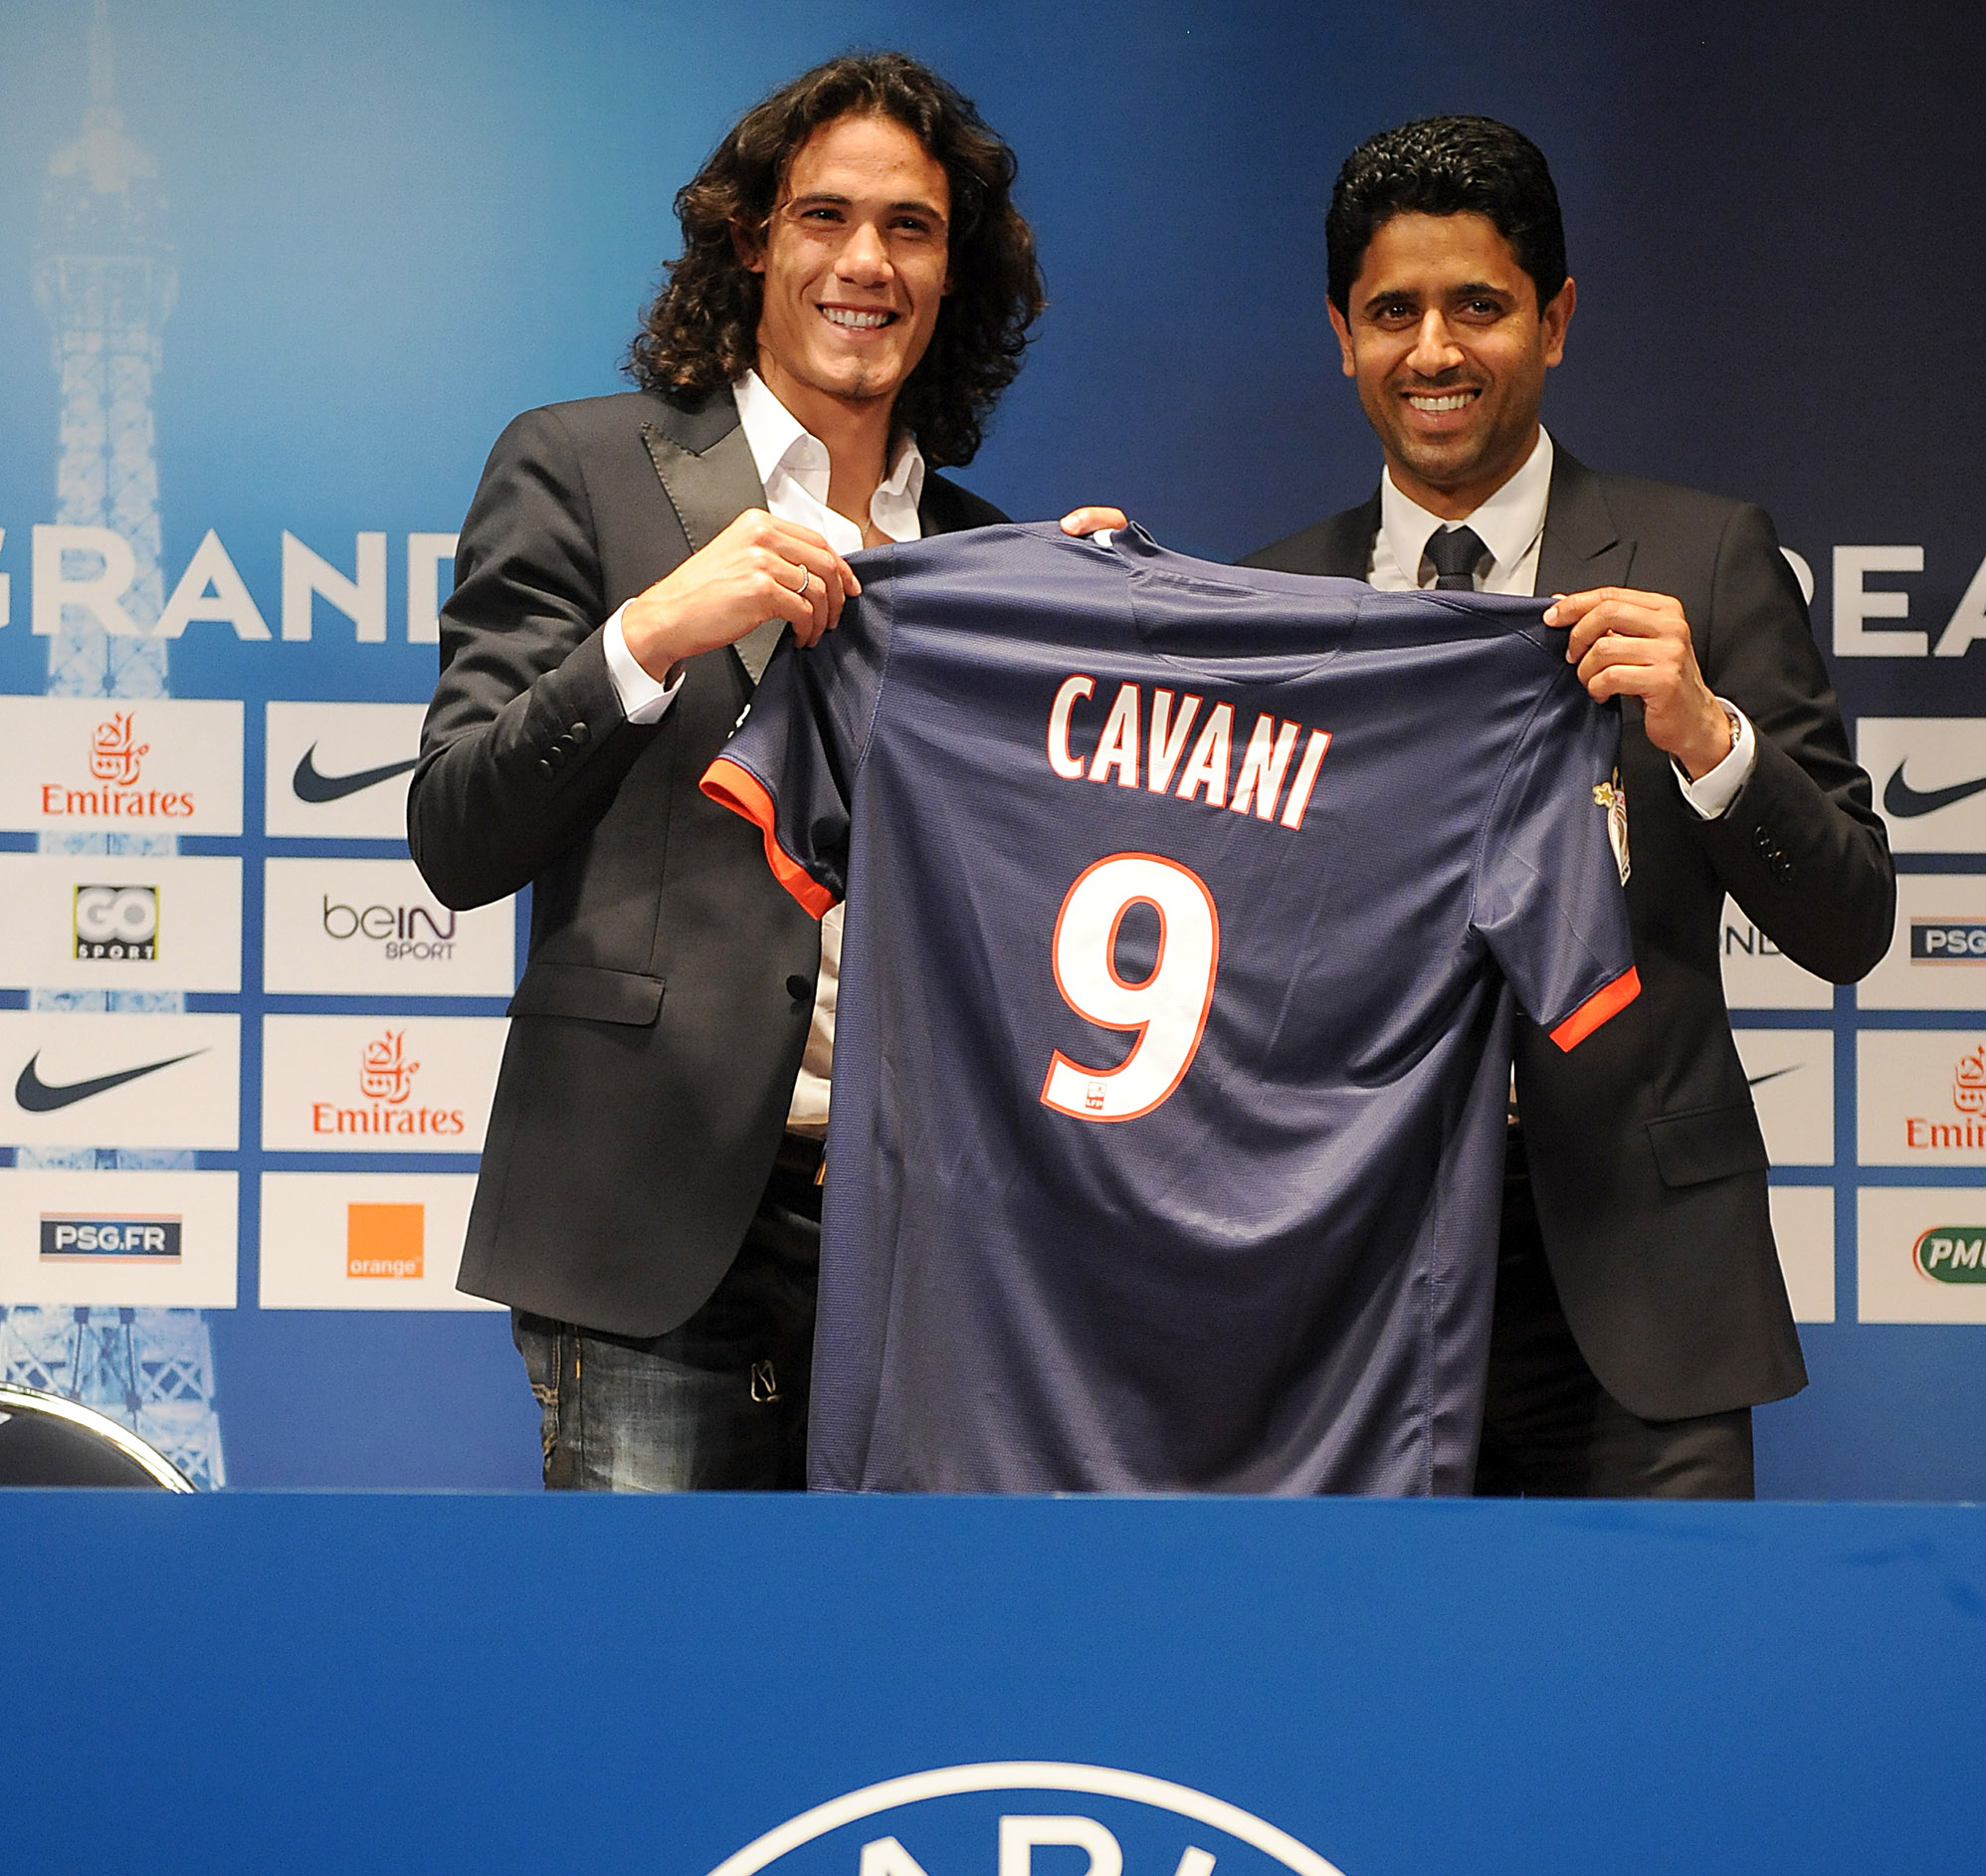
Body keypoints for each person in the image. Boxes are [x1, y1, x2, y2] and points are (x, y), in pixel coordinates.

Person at [411, 52, 1114, 1489]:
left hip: (929, 1242)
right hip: (651, 1222)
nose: (867, 264)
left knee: (900, 1644)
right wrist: (650, 633)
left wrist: (1101, 641)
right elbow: (457, 831)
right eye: (825, 217)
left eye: (911, 228)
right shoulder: (581, 467)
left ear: (954, 269)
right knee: (654, 1637)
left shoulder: (991, 557)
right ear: (751, 238)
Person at [1247, 115, 1893, 1498]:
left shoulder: (1704, 558)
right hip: (1351, 1299)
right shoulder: (1270, 605)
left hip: (1645, 1297)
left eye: (1478, 306)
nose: (1434, 350)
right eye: (1393, 312)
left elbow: (1850, 920)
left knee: (1660, 1648)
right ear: (1342, 336)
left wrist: (1708, 735)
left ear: (1555, 320)